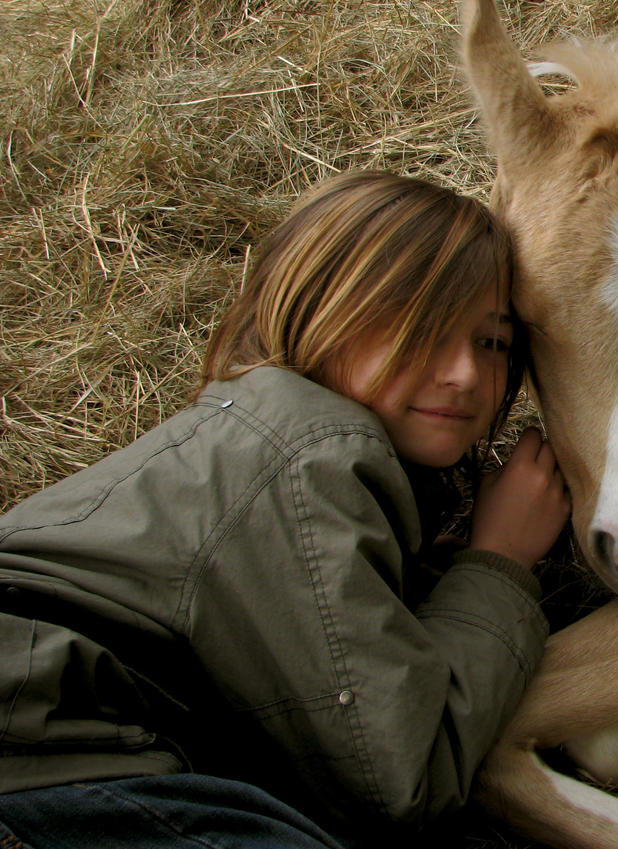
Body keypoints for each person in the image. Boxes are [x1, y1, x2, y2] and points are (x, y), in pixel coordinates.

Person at [0, 170, 571, 848]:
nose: (466, 373)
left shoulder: (275, 439)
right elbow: (399, 772)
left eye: (494, 342)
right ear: (317, 306)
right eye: (420, 323)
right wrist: (499, 560)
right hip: (49, 748)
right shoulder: (310, 449)